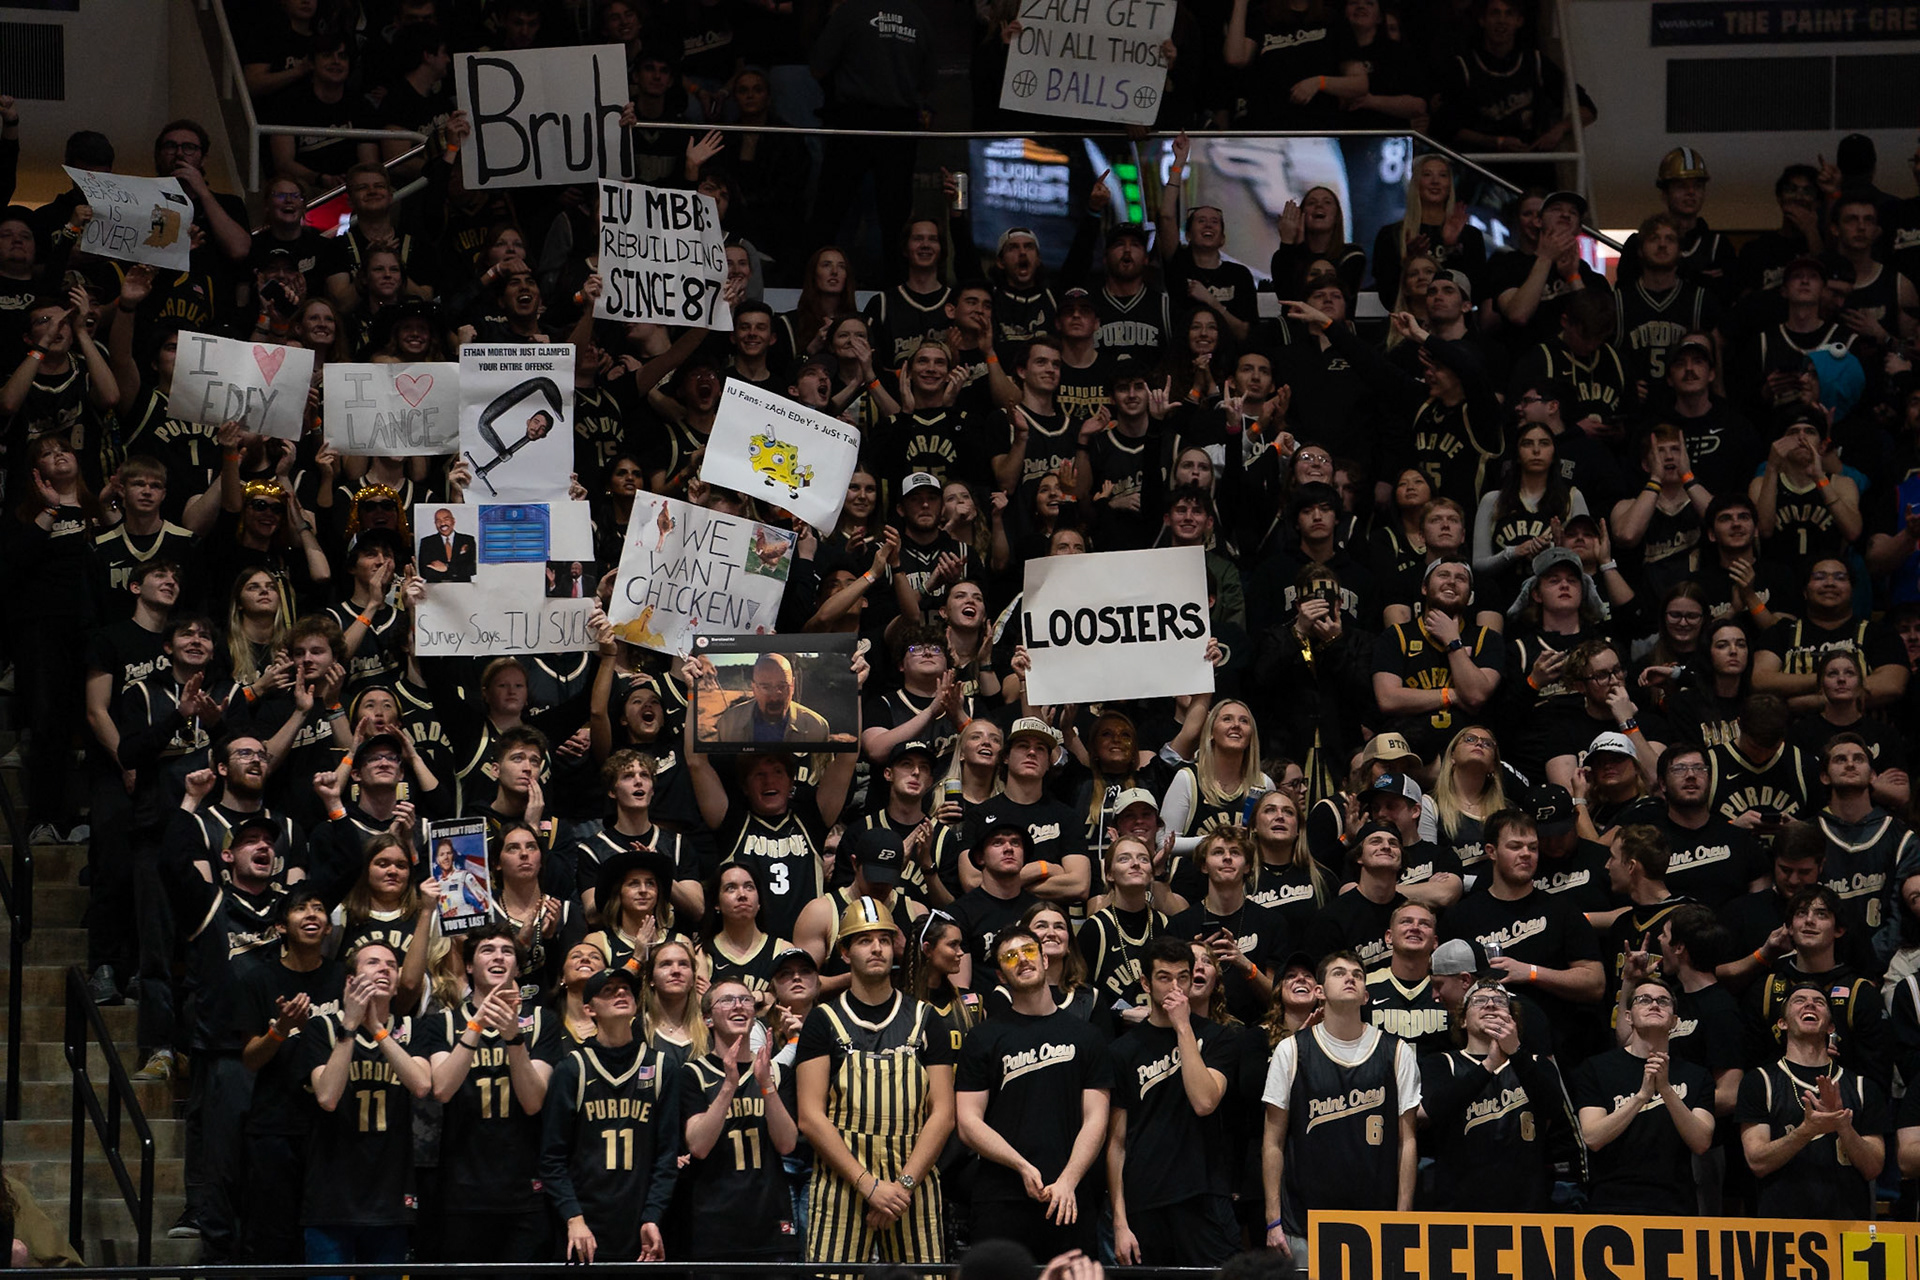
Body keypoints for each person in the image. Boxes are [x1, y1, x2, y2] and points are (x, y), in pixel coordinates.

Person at [796, 896, 956, 1267]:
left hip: (912, 1186)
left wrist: (901, 1188)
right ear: (845, 952)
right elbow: (810, 1117)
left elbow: (944, 1114)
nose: (877, 948)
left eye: (884, 940)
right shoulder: (822, 1021)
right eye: (865, 940)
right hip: (842, 1184)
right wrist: (868, 1185)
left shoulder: (927, 1019)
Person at [956, 924, 1112, 1259]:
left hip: (1069, 1196)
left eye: (1028, 951)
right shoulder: (982, 1038)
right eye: (1010, 957)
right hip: (1001, 1197)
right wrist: (1021, 1165)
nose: (1022, 961)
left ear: (1044, 959)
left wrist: (1069, 1180)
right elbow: (968, 1122)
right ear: (1000, 975)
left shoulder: (1087, 1036)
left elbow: (1097, 1118)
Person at [1260, 950, 1419, 1266]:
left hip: (1378, 1222)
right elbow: (1272, 1141)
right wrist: (1273, 1219)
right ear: (1319, 991)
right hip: (1303, 1222)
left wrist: (1404, 1217)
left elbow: (1407, 1141)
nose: (1350, 978)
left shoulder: (1397, 1051)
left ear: (1365, 995)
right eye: (1339, 973)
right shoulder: (1291, 1051)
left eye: (1357, 975)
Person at [416, 923, 562, 1263]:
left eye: (507, 951)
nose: (498, 957)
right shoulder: (443, 1023)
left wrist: (513, 1038)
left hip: (523, 1189)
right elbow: (442, 1089)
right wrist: (476, 1026)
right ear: (468, 966)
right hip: (460, 1188)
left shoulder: (542, 1021)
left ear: (516, 964)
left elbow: (533, 1102)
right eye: (487, 950)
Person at [296, 940, 433, 1272]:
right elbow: (327, 1097)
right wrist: (351, 1028)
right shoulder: (322, 1028)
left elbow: (421, 1084)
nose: (384, 969)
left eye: (391, 965)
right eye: (372, 963)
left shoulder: (414, 1028)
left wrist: (377, 1030)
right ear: (349, 982)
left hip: (390, 1194)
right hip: (331, 1194)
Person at [1106, 935, 1238, 1268]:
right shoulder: (1122, 1051)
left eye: (1182, 977)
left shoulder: (1219, 1037)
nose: (1175, 987)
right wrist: (1120, 1223)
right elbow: (1117, 1144)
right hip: (1145, 1199)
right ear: (1146, 983)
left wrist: (1183, 1027)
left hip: (1204, 1195)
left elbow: (1205, 1101)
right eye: (1164, 978)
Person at [539, 966, 682, 1263]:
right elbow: (552, 1158)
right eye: (609, 989)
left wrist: (653, 1215)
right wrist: (572, 1217)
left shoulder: (661, 1068)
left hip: (641, 1223)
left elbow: (667, 1155)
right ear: (589, 1009)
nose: (620, 992)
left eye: (626, 989)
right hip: (583, 1226)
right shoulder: (572, 1069)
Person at [1419, 979, 1577, 1211]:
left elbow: (1553, 1107)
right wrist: (1488, 1065)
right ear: (1462, 1020)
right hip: (1458, 1204)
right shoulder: (1442, 1063)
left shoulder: (1535, 1063)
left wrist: (1515, 1052)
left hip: (1526, 1203)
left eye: (1500, 1002)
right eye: (1479, 1001)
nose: (1490, 1005)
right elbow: (1435, 1110)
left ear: (1514, 1021)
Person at [677, 978, 803, 1262]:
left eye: (746, 1000)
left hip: (770, 1220)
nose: (739, 1005)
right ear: (708, 1019)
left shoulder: (776, 1073)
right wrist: (728, 1086)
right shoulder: (692, 1074)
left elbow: (786, 1144)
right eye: (727, 1000)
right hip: (715, 1223)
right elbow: (698, 1146)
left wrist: (766, 1085)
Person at [1738, 983, 1887, 1218]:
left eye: (1819, 1002)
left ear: (1830, 1026)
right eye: (1799, 1000)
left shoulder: (1861, 1086)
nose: (1810, 1004)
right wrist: (1807, 1130)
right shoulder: (1759, 1081)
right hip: (1781, 1231)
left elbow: (1873, 1168)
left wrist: (1842, 1125)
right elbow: (1757, 1162)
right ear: (1782, 1023)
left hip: (1848, 1230)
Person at [1572, 974, 1716, 1211]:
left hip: (1675, 1203)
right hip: (1611, 1201)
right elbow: (1593, 1138)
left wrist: (1666, 1090)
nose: (1655, 1005)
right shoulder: (1597, 1068)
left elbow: (1701, 1142)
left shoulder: (1696, 1075)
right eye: (1644, 1000)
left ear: (1675, 1021)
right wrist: (1641, 1096)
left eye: (1663, 1001)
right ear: (1628, 1017)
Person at [714, 653, 832, 744]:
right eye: (766, 687)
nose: (775, 696)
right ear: (754, 688)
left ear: (793, 686)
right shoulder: (728, 724)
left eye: (782, 686)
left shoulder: (816, 728)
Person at [418, 507, 475, 582]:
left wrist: (446, 567)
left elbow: (473, 568)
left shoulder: (467, 540)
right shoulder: (427, 542)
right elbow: (424, 573)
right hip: (436, 590)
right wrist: (458, 570)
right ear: (435, 524)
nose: (442, 523)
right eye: (438, 521)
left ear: (453, 521)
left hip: (463, 588)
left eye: (446, 519)